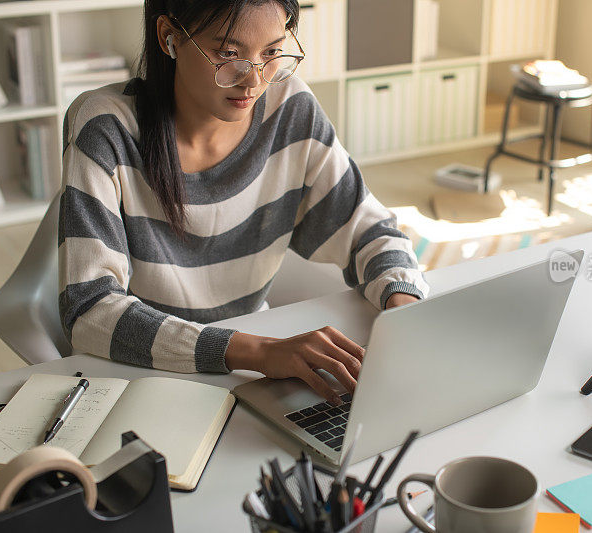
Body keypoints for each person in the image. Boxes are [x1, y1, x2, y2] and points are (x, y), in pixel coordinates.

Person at [58, 0, 429, 405]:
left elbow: (369, 231)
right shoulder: (106, 127)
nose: (253, 81)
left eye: (271, 52)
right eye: (228, 54)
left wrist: (402, 311)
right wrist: (259, 352)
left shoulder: (290, 109)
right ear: (169, 37)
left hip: (250, 368)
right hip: (145, 374)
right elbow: (90, 310)